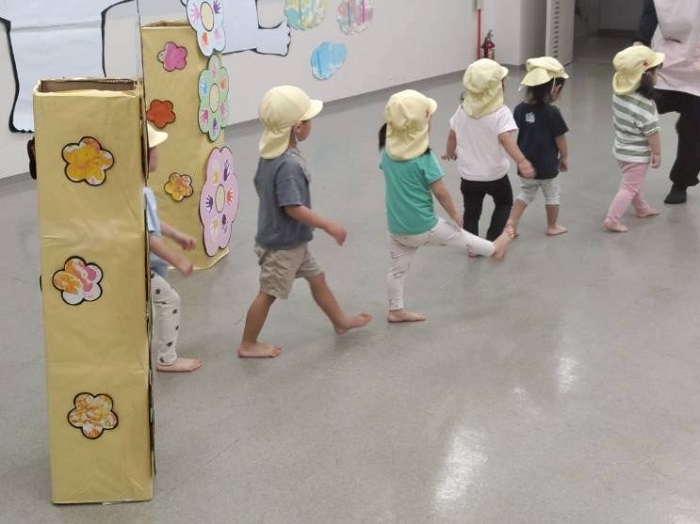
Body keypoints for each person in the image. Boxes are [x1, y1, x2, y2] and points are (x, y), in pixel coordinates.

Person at [237, 85, 372, 358]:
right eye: (309, 120)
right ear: (297, 127)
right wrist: (328, 225)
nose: (312, 125)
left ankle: (340, 322)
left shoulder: (270, 154)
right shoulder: (288, 165)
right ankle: (248, 344)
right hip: (282, 246)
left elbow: (260, 186)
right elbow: (293, 208)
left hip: (293, 240)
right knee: (268, 293)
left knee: (317, 279)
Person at [380, 89, 514, 323]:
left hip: (396, 227)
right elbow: (440, 191)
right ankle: (494, 249)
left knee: (397, 270)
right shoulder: (424, 158)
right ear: (422, 124)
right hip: (424, 226)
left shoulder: (386, 153)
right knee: (461, 236)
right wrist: (455, 214)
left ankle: (395, 310)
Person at [443, 58, 535, 244]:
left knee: (471, 211)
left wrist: (450, 152)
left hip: (469, 176)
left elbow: (452, 135)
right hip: (495, 175)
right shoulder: (501, 112)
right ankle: (493, 239)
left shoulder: (462, 110)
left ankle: (472, 246)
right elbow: (505, 139)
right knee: (504, 203)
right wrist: (522, 160)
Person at [145, 124, 202, 372]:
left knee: (152, 306)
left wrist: (177, 235)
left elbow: (153, 222)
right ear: (145, 156)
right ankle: (167, 359)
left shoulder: (141, 189)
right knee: (170, 300)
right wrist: (177, 260)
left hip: (146, 265)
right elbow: (146, 237)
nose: (158, 154)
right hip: (140, 267)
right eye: (155, 149)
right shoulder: (137, 193)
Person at [637, 0, 700, 205]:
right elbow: (648, 19)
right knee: (637, 111)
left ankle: (681, 182)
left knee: (694, 127)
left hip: (696, 67)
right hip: (663, 64)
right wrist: (638, 46)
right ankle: (632, 174)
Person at [603, 45, 664, 233]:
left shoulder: (620, 94)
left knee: (632, 183)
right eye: (656, 72)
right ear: (648, 76)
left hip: (621, 149)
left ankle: (642, 208)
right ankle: (612, 219)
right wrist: (657, 153)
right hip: (636, 155)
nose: (658, 75)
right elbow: (652, 132)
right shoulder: (645, 105)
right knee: (628, 188)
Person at [508, 57, 570, 237]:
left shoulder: (519, 109)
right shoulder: (552, 112)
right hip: (547, 165)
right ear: (555, 89)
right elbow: (560, 139)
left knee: (525, 193)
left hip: (526, 164)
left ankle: (512, 223)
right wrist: (564, 157)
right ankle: (552, 226)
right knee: (552, 194)